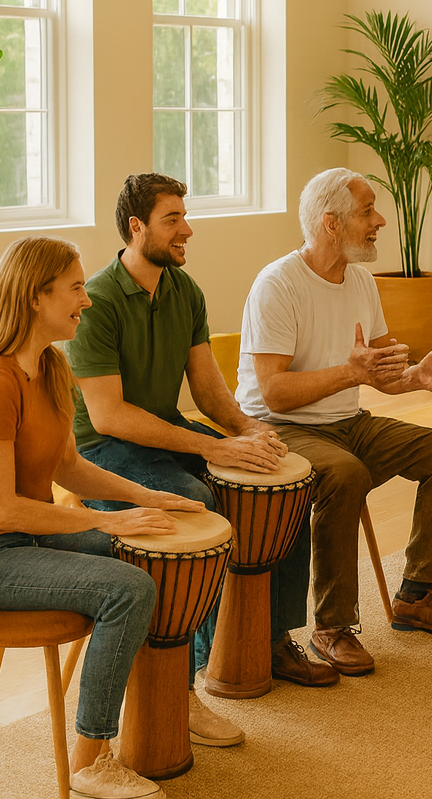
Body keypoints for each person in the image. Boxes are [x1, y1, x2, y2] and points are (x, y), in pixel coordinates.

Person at [0, 237, 204, 799]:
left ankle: (168, 706)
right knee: (127, 589)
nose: (88, 299)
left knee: (152, 554)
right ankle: (90, 758)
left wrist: (146, 498)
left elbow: (70, 467)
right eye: (76, 288)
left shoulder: (51, 367)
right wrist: (106, 523)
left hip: (20, 540)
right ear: (36, 297)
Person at [70, 175, 335, 745]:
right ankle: (186, 681)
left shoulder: (184, 290)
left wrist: (249, 430)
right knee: (197, 503)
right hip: (105, 448)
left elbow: (209, 388)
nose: (187, 228)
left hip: (163, 431)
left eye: (185, 215)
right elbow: (110, 417)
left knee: (278, 484)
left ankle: (268, 642)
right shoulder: (96, 301)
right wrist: (213, 446)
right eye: (173, 219)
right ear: (137, 227)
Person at [236, 168, 432, 677]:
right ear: (331, 223)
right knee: (346, 474)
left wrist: (414, 377)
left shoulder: (362, 280)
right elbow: (273, 390)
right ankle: (332, 625)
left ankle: (416, 593)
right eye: (367, 211)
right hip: (279, 426)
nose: (380, 221)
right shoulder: (277, 284)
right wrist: (352, 372)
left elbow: (380, 372)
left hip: (348, 421)